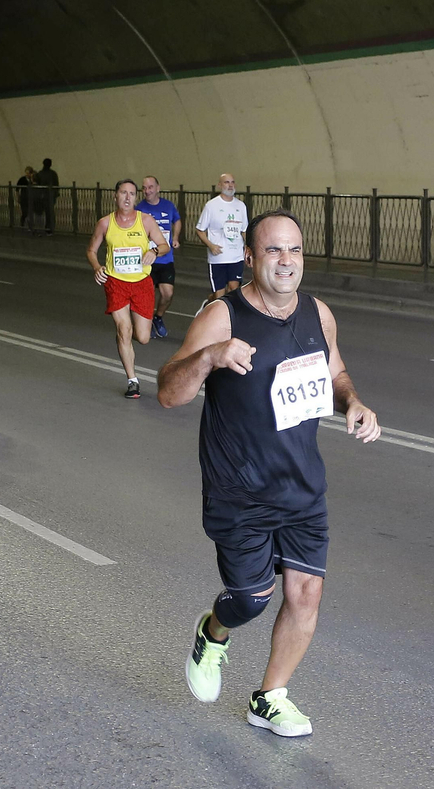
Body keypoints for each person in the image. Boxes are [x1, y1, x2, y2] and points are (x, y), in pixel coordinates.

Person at [157, 208, 381, 738]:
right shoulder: (223, 316)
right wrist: (211, 356)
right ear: (251, 258)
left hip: (303, 486)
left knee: (306, 594)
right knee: (251, 599)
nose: (286, 261)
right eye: (274, 250)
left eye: (295, 250)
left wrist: (351, 401)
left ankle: (269, 696)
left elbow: (335, 370)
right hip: (239, 490)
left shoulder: (318, 314)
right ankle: (213, 633)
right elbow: (169, 392)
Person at [86, 180, 170, 398]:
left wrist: (155, 251)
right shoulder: (105, 223)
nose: (127, 197)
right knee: (124, 329)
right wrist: (97, 267)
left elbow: (164, 245)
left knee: (142, 337)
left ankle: (124, 337)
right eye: (123, 192)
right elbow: (91, 251)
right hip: (116, 282)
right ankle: (132, 380)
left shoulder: (146, 221)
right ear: (115, 196)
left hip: (141, 283)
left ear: (136, 197)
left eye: (131, 194)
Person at [136, 175, 182, 338]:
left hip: (165, 258)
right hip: (147, 260)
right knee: (146, 296)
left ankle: (158, 317)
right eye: (144, 188)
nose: (147, 191)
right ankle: (144, 324)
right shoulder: (139, 209)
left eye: (150, 187)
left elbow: (177, 220)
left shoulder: (168, 206)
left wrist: (175, 237)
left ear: (157, 188)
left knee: (167, 293)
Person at [197, 173, 249, 302]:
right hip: (218, 257)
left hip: (236, 255)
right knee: (219, 297)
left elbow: (244, 231)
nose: (230, 185)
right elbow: (200, 230)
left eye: (232, 182)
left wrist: (248, 248)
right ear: (220, 185)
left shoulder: (241, 206)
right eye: (226, 182)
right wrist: (211, 245)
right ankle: (209, 302)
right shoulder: (211, 206)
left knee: (233, 290)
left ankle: (228, 319)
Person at [35, 158, 59, 234]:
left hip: (41, 196)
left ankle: (38, 228)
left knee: (39, 213)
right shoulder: (53, 174)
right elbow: (56, 185)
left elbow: (37, 184)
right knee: (50, 213)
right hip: (50, 196)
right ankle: (49, 228)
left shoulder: (40, 174)